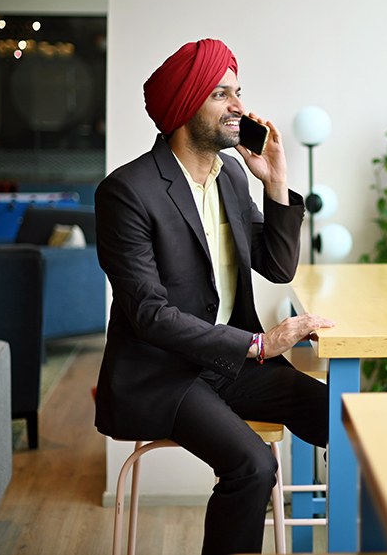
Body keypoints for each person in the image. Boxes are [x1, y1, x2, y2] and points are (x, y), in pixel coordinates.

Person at [93, 38, 334, 555]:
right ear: (185, 108)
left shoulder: (230, 181)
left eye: (238, 92)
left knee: (346, 415)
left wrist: (276, 182)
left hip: (229, 366)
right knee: (253, 465)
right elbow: (149, 315)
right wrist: (257, 345)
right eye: (222, 95)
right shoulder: (126, 192)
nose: (240, 108)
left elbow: (276, 265)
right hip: (164, 373)